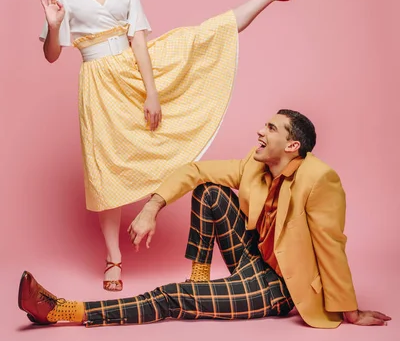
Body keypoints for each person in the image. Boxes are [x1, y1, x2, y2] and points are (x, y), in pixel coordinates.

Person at [39, 0, 303, 291]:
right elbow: (51, 55)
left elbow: (139, 43)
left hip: (133, 72)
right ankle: (113, 259)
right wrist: (52, 24)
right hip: (97, 84)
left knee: (201, 37)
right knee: (104, 171)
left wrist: (152, 92)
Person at [18, 110, 391, 328]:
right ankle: (198, 278)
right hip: (252, 258)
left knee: (171, 297)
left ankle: (64, 311)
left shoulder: (319, 179)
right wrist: (152, 207)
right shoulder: (254, 165)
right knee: (208, 190)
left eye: (272, 129)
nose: (260, 132)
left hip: (280, 286)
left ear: (293, 146)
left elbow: (331, 246)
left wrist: (350, 311)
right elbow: (195, 171)